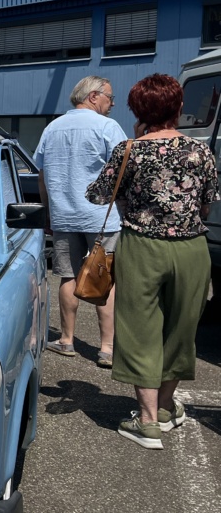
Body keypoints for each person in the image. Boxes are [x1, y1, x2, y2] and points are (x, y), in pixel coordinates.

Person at [86, 74, 218, 449]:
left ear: (138, 112)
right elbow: (207, 203)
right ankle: (163, 407)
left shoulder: (130, 150)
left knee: (141, 329)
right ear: (178, 108)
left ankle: (147, 422)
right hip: (191, 248)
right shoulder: (200, 151)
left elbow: (98, 195)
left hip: (142, 246)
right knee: (181, 329)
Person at [33, 76, 126, 368]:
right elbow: (125, 168)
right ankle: (107, 348)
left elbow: (42, 174)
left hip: (64, 214)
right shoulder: (107, 127)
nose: (112, 104)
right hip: (103, 217)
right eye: (110, 98)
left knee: (67, 276)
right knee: (104, 278)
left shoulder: (52, 127)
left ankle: (66, 340)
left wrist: (47, 210)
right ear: (94, 96)